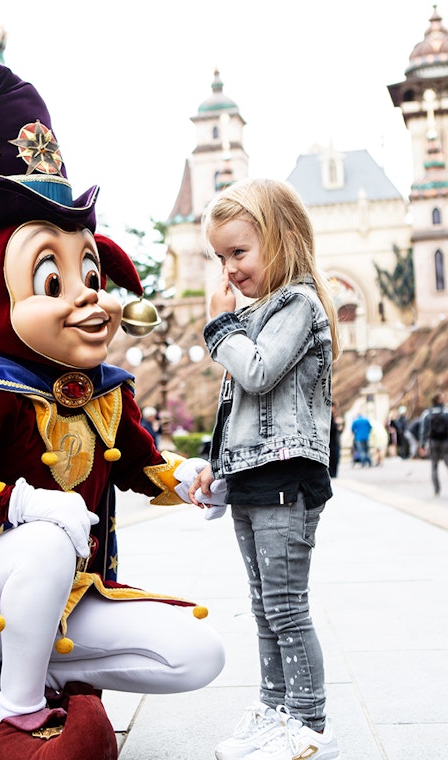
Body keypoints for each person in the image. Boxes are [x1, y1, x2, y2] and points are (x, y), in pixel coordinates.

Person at [0, 62, 223, 759]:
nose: (89, 296)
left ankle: (55, 683)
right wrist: (19, 508)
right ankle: (15, 713)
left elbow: (145, 464)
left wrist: (192, 478)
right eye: (51, 277)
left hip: (68, 596)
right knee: (45, 540)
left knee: (197, 654)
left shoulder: (104, 391)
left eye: (90, 273)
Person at [189, 177, 341, 760]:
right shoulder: (260, 313)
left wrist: (221, 327)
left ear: (279, 239)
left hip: (287, 479)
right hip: (256, 479)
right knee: (262, 606)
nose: (228, 270)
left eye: (239, 252)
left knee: (286, 606)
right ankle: (275, 708)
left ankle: (308, 722)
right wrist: (215, 468)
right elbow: (240, 410)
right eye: (220, 257)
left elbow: (255, 372)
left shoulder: (299, 305)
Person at [419, 393, 448, 496]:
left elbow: (423, 430)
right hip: (445, 441)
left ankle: (437, 489)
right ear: (440, 400)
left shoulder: (427, 413)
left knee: (434, 466)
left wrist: (422, 444)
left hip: (433, 441)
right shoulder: (447, 412)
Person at [327, 404, 343, 478]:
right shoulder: (329, 416)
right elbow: (331, 429)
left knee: (335, 458)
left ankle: (333, 474)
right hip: (331, 442)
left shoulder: (334, 416)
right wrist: (337, 425)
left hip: (335, 441)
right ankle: (332, 474)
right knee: (333, 458)